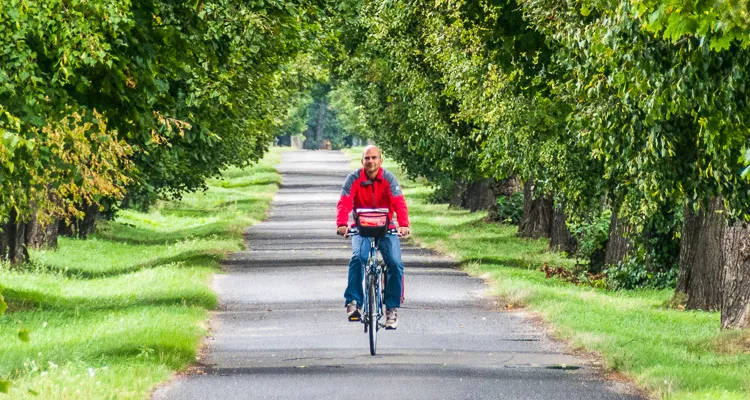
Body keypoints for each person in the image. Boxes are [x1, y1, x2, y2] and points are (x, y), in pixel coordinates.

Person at [336, 145, 410, 330]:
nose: (370, 161)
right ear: (362, 161)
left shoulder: (389, 179)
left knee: (394, 262)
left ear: (380, 160)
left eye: (374, 158)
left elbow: (399, 202)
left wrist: (404, 224)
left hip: (386, 228)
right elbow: (344, 202)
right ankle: (353, 303)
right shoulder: (353, 179)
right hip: (361, 228)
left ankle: (391, 309)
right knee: (358, 258)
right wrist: (342, 224)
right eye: (367, 158)